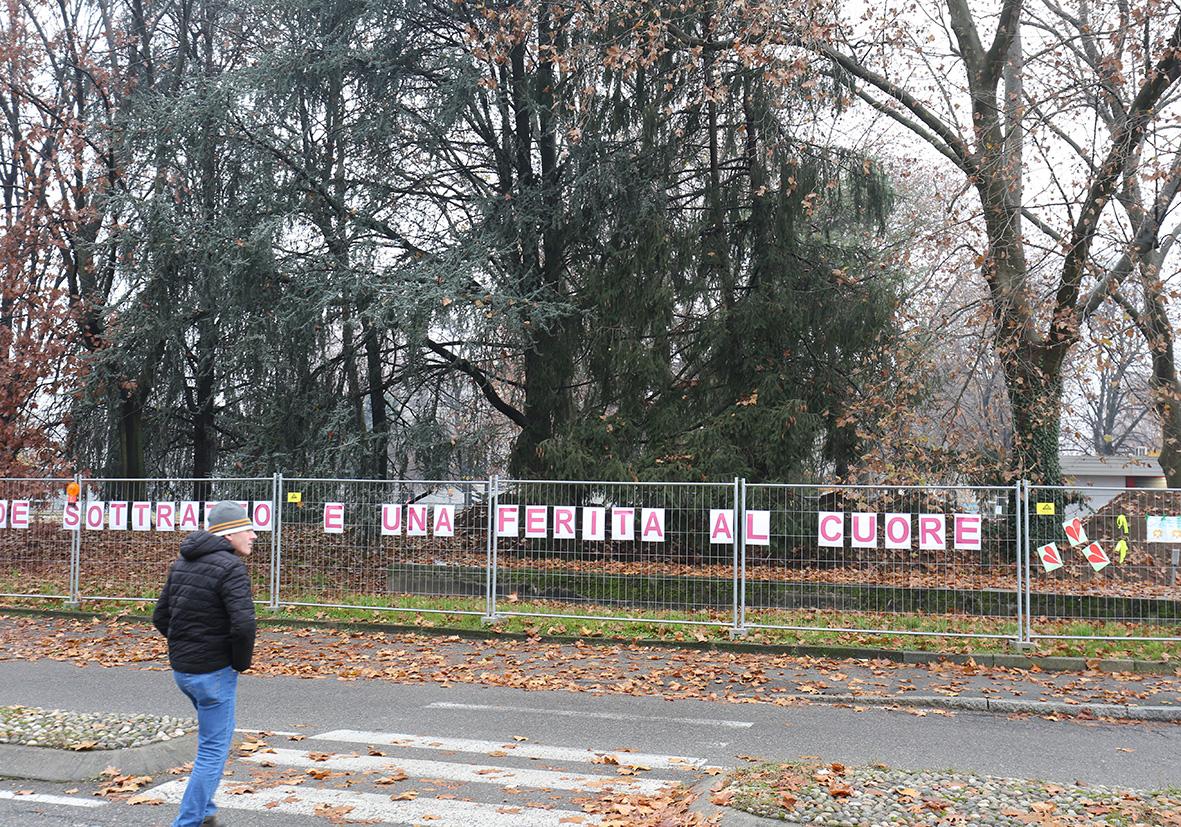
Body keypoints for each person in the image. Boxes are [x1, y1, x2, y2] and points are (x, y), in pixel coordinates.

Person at [153, 501, 257, 827]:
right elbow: (244, 625)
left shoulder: (182, 562)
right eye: (248, 529)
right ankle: (189, 822)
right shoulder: (231, 568)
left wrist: (184, 646)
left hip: (184, 672)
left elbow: (160, 617)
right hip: (214, 673)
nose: (254, 535)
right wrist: (239, 664)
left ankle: (207, 811)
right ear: (228, 534)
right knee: (213, 751)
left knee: (210, 741)